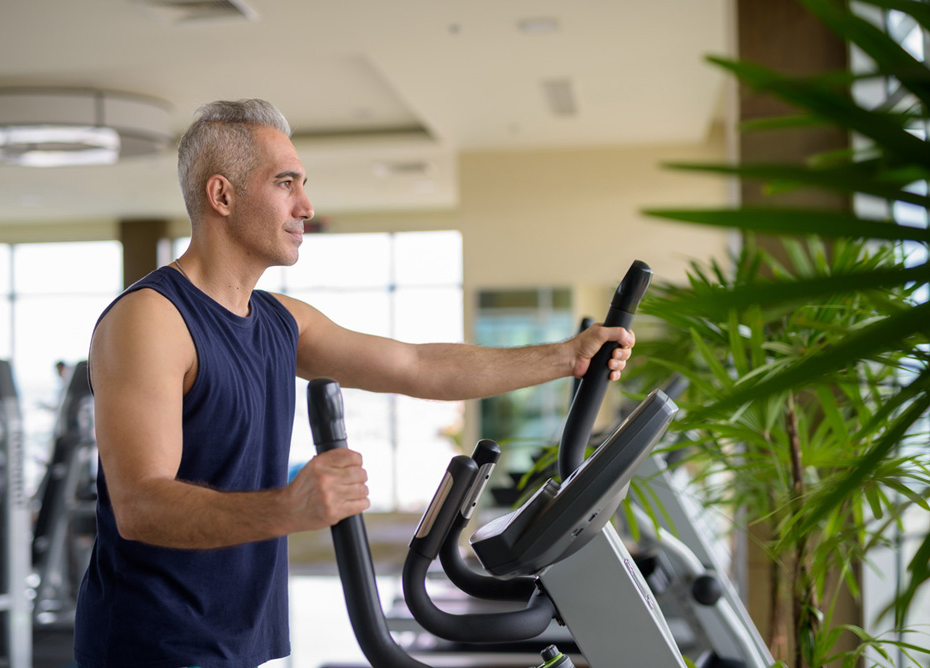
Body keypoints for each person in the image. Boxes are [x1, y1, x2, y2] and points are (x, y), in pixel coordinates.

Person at [73, 99, 635, 668]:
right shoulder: (151, 319)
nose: (306, 206)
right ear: (222, 196)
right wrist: (289, 508)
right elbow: (140, 506)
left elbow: (417, 366)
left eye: (303, 184)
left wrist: (566, 357)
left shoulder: (279, 320)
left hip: (238, 641)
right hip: (150, 645)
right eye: (285, 183)